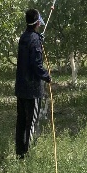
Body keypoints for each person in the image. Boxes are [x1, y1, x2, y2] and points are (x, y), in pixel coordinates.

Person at [15, 8, 51, 157]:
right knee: (31, 122)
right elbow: (36, 65)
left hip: (21, 88)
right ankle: (27, 154)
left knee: (21, 121)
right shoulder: (35, 40)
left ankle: (19, 153)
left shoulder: (24, 37)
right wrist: (47, 76)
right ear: (37, 23)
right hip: (32, 90)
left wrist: (38, 38)